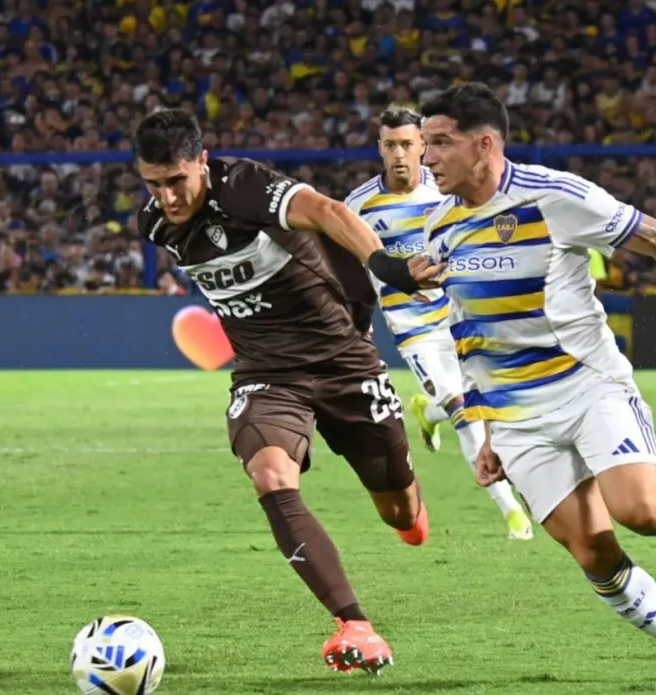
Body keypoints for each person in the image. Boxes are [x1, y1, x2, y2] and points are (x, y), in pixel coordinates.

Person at [418, 83, 656, 687]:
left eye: (439, 142)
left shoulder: (556, 197)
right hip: (516, 418)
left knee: (639, 512)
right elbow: (471, 335)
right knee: (593, 552)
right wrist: (485, 430)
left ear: (484, 144)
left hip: (587, 386)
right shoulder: (439, 226)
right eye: (425, 143)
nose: (426, 157)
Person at [133, 109, 442, 675]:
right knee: (271, 476)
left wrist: (385, 267)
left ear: (202, 162)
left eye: (177, 180)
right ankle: (355, 624)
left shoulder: (243, 187)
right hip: (267, 373)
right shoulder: (155, 224)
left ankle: (408, 508)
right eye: (154, 184)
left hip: (344, 362)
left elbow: (327, 212)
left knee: (401, 513)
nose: (168, 198)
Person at [344, 105, 533, 541]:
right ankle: (510, 510)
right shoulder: (358, 206)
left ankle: (427, 411)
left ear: (422, 145)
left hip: (463, 315)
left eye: (407, 144)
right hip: (414, 330)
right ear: (379, 148)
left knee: (489, 402)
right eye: (390, 145)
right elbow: (349, 270)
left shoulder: (446, 189)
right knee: (465, 410)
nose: (399, 154)